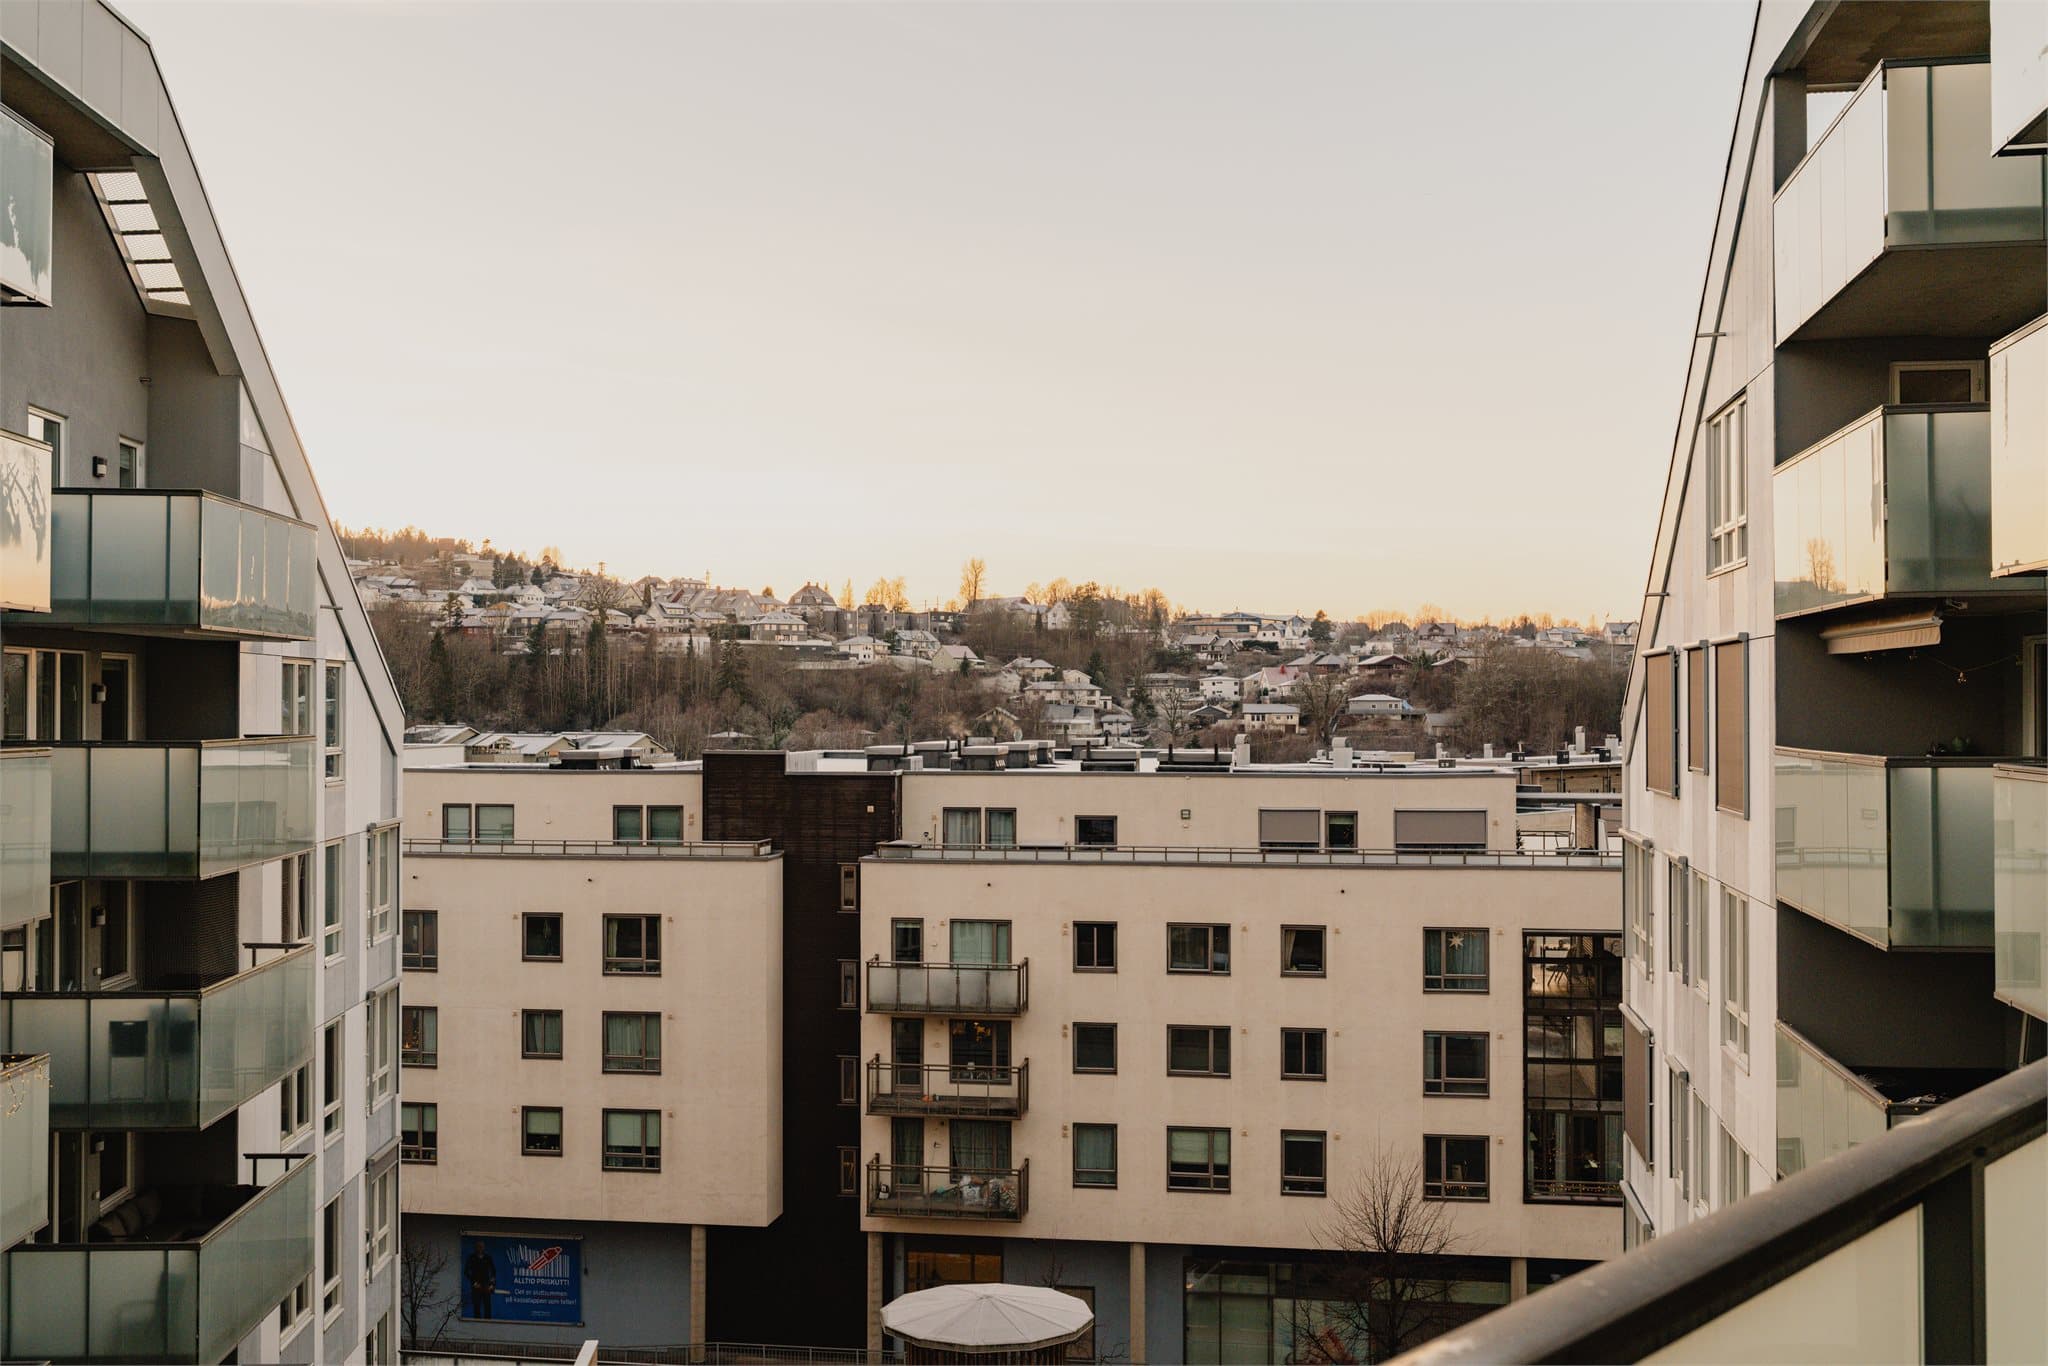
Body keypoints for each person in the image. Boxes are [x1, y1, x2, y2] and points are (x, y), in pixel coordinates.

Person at [465, 1240, 496, 1319]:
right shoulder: (472, 1258)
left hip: (486, 1284)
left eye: (481, 1247)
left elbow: (493, 1272)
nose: (480, 1248)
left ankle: (488, 1323)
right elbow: (466, 1271)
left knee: (487, 1305)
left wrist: (492, 1285)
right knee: (477, 1305)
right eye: (478, 1246)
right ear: (475, 1248)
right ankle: (477, 1323)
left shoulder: (487, 1258)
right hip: (476, 1285)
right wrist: (474, 1282)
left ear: (484, 1248)